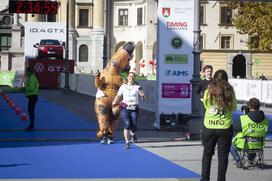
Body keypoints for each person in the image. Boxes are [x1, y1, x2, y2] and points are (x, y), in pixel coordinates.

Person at [200, 69, 237, 181]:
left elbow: (206, 106)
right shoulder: (230, 90)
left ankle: (205, 178)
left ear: (214, 78)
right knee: (223, 156)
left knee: (207, 153)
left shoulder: (209, 90)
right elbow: (234, 107)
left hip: (209, 126)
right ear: (226, 79)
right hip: (225, 127)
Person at [230, 98, 268, 168]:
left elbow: (235, 129)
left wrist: (246, 114)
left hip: (245, 144)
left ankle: (238, 162)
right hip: (258, 145)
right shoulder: (265, 119)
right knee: (253, 140)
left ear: (249, 106)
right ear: (259, 106)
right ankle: (250, 160)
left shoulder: (245, 118)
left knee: (230, 145)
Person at [112, 72, 146, 149]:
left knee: (134, 125)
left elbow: (144, 99)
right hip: (124, 107)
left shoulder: (138, 87)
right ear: (127, 77)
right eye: (130, 76)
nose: (131, 78)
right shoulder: (123, 87)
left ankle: (133, 134)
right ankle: (127, 142)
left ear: (135, 78)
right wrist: (114, 103)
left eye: (133, 76)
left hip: (134, 108)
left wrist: (143, 96)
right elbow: (118, 96)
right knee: (127, 124)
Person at [24, 67, 39, 131]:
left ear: (29, 72)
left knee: (31, 111)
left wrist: (25, 88)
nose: (26, 72)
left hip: (33, 96)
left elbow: (31, 88)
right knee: (30, 111)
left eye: (26, 71)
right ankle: (31, 125)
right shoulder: (31, 78)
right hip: (32, 96)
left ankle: (31, 126)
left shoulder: (32, 79)